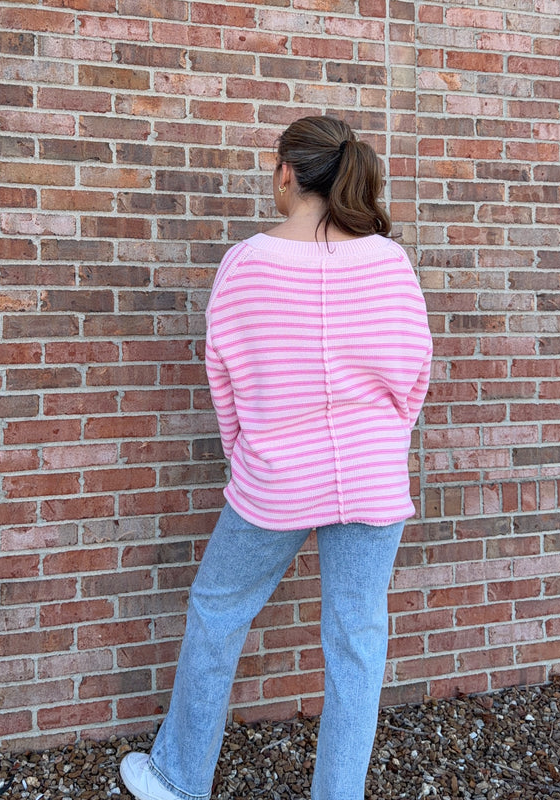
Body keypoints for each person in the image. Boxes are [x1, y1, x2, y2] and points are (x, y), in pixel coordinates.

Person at [120, 115, 433, 800]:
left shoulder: (247, 262)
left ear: (288, 171)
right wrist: (379, 443)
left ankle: (178, 778)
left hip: (275, 479)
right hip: (375, 479)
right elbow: (415, 372)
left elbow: (222, 379)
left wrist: (248, 457)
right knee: (357, 644)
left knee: (217, 608)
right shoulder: (389, 260)